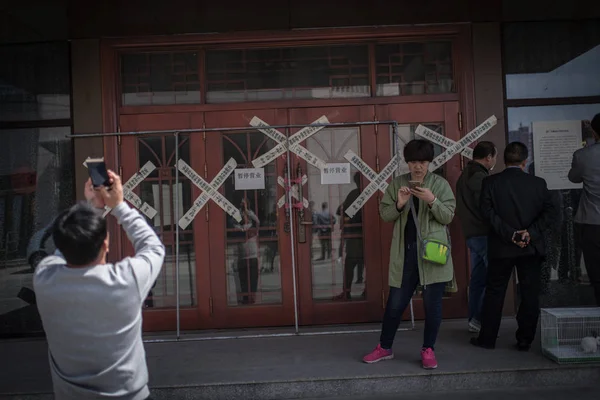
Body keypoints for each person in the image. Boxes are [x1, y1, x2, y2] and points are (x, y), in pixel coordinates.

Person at [33, 171, 165, 399]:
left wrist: (92, 207)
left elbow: (63, 252)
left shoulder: (45, 277)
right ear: (106, 244)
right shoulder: (126, 280)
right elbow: (153, 247)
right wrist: (119, 206)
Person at [363, 139, 456, 369]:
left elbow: (448, 216)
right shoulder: (397, 184)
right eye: (413, 161)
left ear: (429, 162)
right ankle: (384, 347)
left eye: (422, 162)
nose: (418, 166)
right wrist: (399, 204)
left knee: (432, 306)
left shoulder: (440, 184)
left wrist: (431, 200)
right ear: (407, 163)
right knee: (395, 304)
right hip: (404, 254)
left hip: (432, 255)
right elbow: (385, 215)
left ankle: (428, 349)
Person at [471, 142, 554, 351]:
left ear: (504, 160)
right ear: (525, 162)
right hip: (530, 247)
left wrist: (510, 234)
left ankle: (487, 339)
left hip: (501, 247)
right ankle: (525, 339)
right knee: (529, 293)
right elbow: (550, 213)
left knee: (495, 292)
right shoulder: (539, 184)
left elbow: (487, 214)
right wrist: (530, 233)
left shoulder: (491, 183)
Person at [455, 141, 497, 333]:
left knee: (478, 279)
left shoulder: (464, 176)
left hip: (471, 234)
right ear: (489, 157)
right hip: (484, 234)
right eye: (494, 157)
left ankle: (474, 320)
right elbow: (486, 206)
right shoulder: (480, 177)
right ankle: (480, 318)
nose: (494, 161)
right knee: (492, 278)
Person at [568, 114, 600, 306]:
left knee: (596, 275)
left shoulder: (583, 155)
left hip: (591, 223)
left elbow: (573, 178)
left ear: (594, 131)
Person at [334, 172, 365, 300]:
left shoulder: (354, 194)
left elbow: (341, 210)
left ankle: (346, 292)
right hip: (366, 234)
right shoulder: (369, 193)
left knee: (350, 264)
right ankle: (368, 291)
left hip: (355, 235)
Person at [233, 198, 260, 304]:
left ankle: (251, 298)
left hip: (252, 256)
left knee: (252, 281)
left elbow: (257, 221)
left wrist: (247, 211)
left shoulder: (253, 225)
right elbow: (236, 226)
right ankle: (245, 299)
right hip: (242, 257)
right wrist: (240, 213)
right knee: (243, 281)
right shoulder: (237, 226)